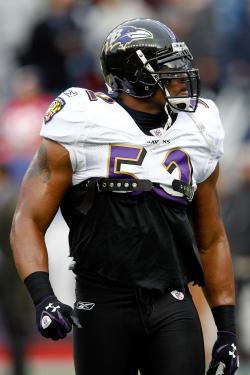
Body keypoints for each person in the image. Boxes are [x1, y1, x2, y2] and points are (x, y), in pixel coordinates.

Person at [10, 18, 239, 375]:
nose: (181, 75)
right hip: (102, 302)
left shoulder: (199, 128)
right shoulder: (81, 119)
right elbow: (28, 218)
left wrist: (227, 329)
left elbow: (211, 237)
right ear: (135, 75)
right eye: (167, 67)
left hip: (172, 299)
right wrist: (44, 298)